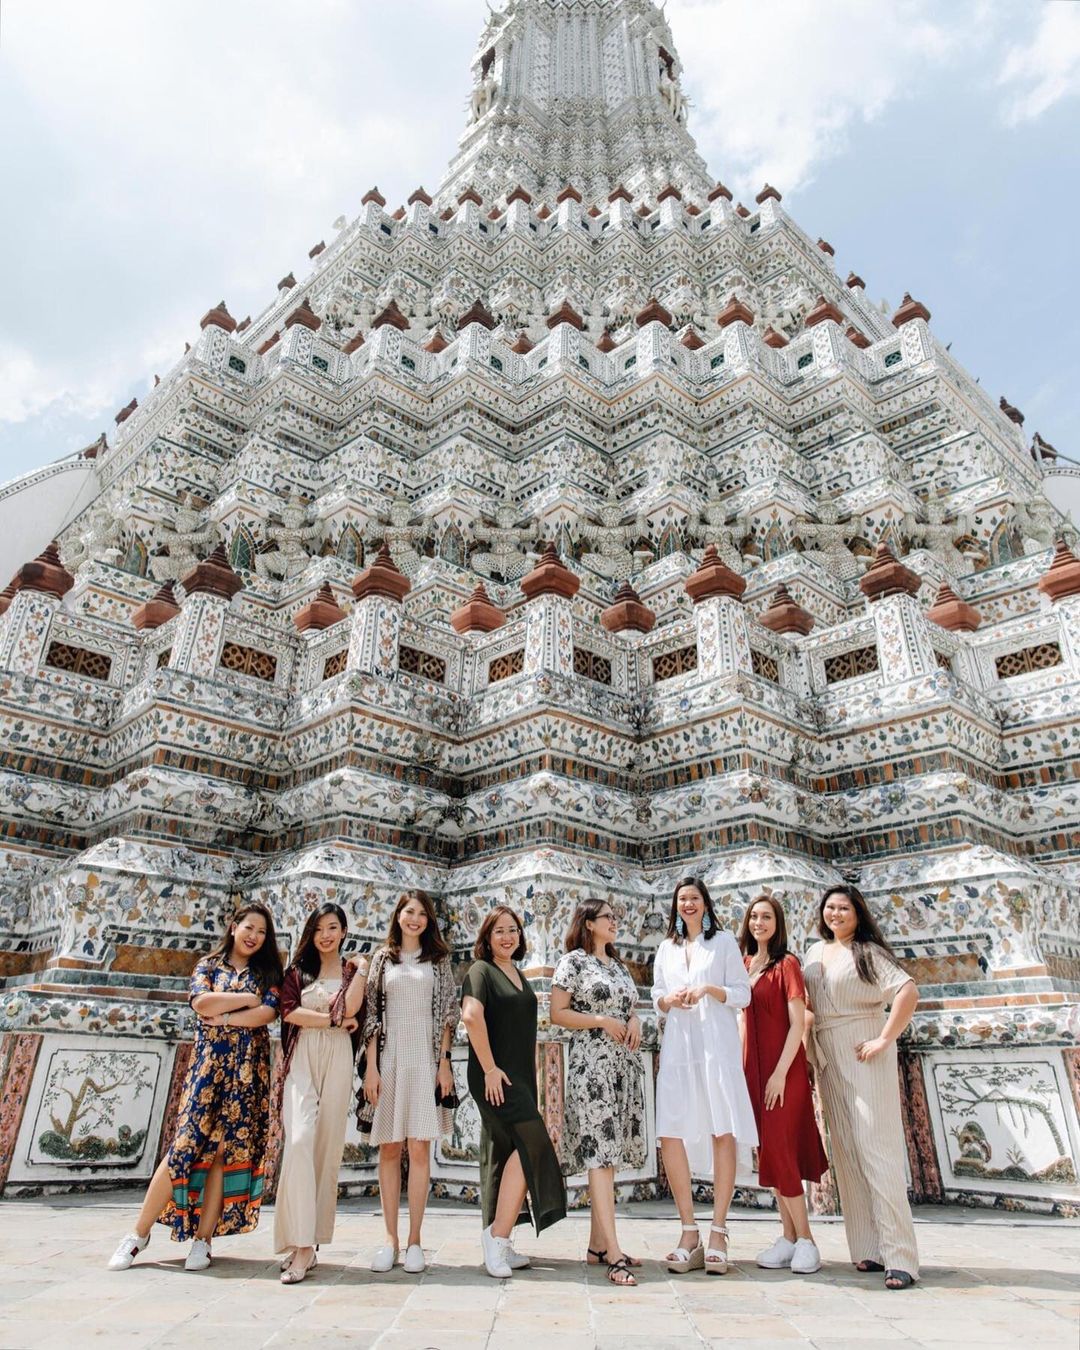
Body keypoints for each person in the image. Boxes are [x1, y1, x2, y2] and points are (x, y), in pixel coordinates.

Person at [107, 903, 282, 1272]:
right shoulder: (208, 965)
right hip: (207, 1072)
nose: (254, 936)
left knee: (222, 1153)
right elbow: (202, 1003)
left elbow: (267, 1014)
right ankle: (138, 1234)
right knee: (182, 1149)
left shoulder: (268, 971)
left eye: (262, 932)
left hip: (247, 1074)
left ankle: (203, 1241)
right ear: (234, 927)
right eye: (249, 927)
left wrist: (226, 1016)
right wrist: (245, 1000)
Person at [803, 884, 920, 1291]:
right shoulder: (814, 953)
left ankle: (901, 1255)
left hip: (863, 1047)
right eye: (830, 908)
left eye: (844, 908)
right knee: (848, 1150)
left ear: (858, 914)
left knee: (876, 1146)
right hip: (827, 1053)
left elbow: (907, 991)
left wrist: (885, 1038)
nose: (836, 914)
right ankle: (868, 1246)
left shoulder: (867, 952)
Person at [650, 876, 756, 1275]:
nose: (688, 904)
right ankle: (688, 1230)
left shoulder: (724, 942)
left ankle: (718, 1230)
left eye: (694, 898)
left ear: (706, 904)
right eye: (682, 899)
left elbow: (743, 994)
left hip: (716, 1046)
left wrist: (711, 989)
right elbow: (657, 997)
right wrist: (669, 1000)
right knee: (672, 1130)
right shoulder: (666, 948)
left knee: (721, 1128)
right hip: (680, 1046)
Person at [461, 905, 567, 1278]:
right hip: (494, 1075)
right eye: (499, 931)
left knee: (509, 1151)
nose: (507, 937)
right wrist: (490, 1069)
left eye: (513, 930)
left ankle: (501, 1242)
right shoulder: (481, 971)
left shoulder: (516, 972)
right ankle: (496, 1236)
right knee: (531, 1146)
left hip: (518, 1077)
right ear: (486, 938)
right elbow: (471, 1016)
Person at [359, 890, 459, 1275]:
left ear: (428, 920)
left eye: (421, 914)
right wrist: (371, 1067)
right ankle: (390, 1239)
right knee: (388, 1148)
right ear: (398, 916)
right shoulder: (383, 959)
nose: (415, 919)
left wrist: (444, 1063)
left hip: (425, 1056)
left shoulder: (438, 960)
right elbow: (370, 1014)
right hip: (389, 1057)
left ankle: (416, 1239)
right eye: (408, 912)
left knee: (419, 1149)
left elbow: (449, 1013)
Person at [550, 900, 647, 1288]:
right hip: (591, 1068)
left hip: (621, 1068)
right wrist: (601, 1021)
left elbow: (630, 1006)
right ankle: (614, 1252)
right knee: (601, 1154)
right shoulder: (573, 963)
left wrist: (634, 1019)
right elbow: (558, 1013)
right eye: (608, 917)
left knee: (610, 1156)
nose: (615, 922)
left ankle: (596, 1246)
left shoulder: (619, 966)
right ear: (589, 924)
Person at [275, 902, 368, 1284]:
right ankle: (297, 1242)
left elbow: (354, 1008)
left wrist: (363, 969)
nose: (326, 935)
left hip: (338, 1057)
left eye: (332, 928)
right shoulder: (298, 971)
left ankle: (309, 1244)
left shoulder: (351, 970)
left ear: (344, 931)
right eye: (318, 930)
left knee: (326, 1148)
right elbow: (289, 1012)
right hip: (303, 1055)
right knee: (298, 1141)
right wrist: (331, 1019)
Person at [737, 894, 828, 1275]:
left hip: (782, 1072)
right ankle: (788, 1237)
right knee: (770, 1155)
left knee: (783, 1151)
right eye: (754, 917)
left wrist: (779, 1072)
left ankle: (807, 1239)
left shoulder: (787, 964)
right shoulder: (744, 964)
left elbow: (798, 1022)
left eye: (767, 917)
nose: (759, 923)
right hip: (752, 1070)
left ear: (778, 924)